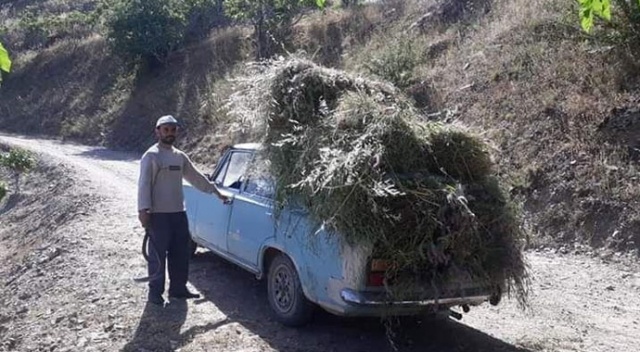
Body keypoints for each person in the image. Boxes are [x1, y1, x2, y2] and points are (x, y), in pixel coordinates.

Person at [137, 115, 229, 306]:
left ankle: (178, 289)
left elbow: (196, 177)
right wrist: (143, 210)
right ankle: (155, 292)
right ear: (158, 131)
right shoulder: (151, 156)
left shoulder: (179, 157)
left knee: (181, 253)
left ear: (176, 131)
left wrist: (216, 192)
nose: (170, 133)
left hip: (178, 214)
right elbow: (144, 185)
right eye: (166, 129)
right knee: (157, 255)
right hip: (158, 215)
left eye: (173, 129)